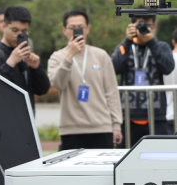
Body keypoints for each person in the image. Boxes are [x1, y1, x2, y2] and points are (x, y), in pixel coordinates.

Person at [48, 10, 123, 150]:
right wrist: (69, 56)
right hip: (71, 128)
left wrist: (116, 125)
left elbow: (111, 92)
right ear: (64, 30)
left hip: (101, 127)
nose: (77, 31)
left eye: (81, 27)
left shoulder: (101, 55)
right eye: (72, 27)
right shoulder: (57, 57)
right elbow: (58, 83)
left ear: (87, 29)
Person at [111, 15, 175, 146]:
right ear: (131, 26)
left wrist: (152, 43)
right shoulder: (125, 47)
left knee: (158, 154)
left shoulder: (161, 46)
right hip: (128, 115)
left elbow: (168, 68)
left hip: (156, 114)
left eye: (147, 25)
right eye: (139, 24)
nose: (143, 28)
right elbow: (112, 69)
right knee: (126, 155)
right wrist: (127, 41)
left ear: (154, 27)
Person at [0, 6, 50, 112]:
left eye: (24, 31)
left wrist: (36, 68)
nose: (18, 35)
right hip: (2, 119)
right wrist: (11, 62)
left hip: (26, 118)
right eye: (15, 30)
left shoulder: (25, 54)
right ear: (4, 26)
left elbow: (42, 90)